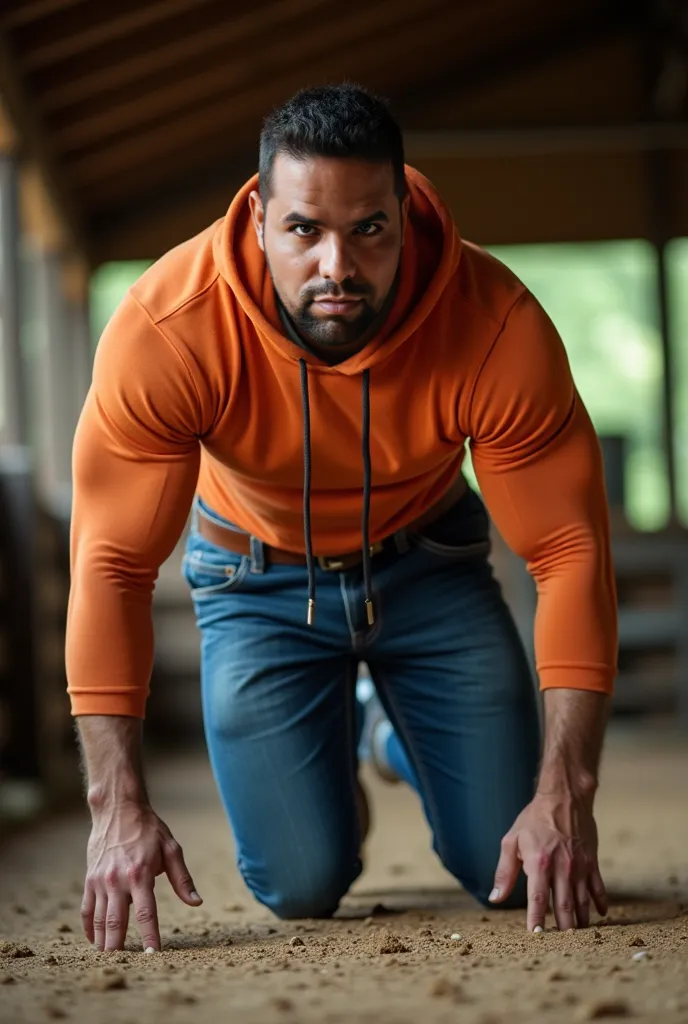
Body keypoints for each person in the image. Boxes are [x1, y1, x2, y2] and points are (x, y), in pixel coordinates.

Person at [67, 84, 617, 954]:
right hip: (256, 583)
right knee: (301, 887)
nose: (337, 266)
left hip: (428, 565)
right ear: (257, 220)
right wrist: (114, 807)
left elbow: (568, 550)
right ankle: (348, 751)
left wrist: (567, 794)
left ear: (405, 214)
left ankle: (394, 737)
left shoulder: (494, 323)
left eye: (369, 228)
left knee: (508, 871)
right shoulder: (168, 329)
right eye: (304, 231)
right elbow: (111, 566)